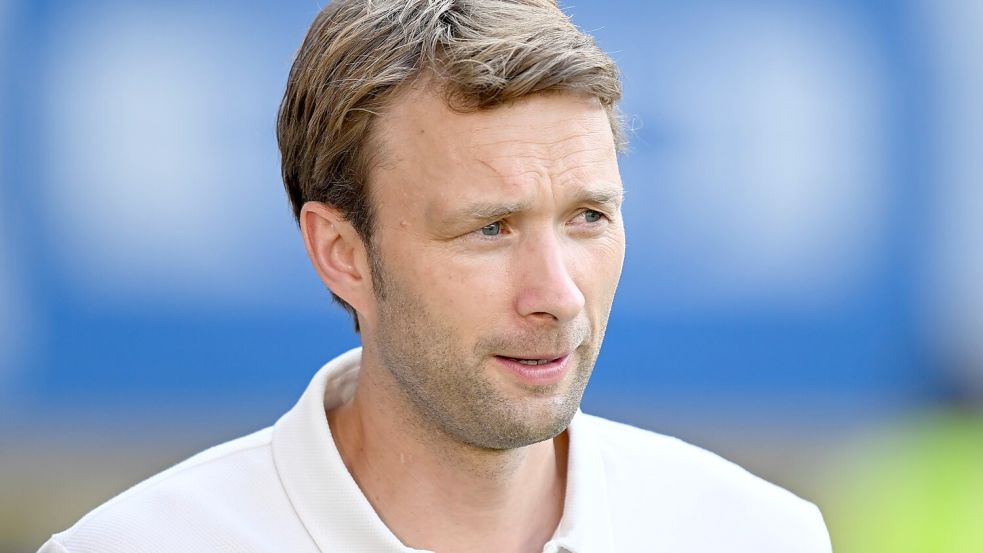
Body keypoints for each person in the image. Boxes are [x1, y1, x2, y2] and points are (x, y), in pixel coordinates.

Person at [40, 1, 832, 552]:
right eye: (489, 228)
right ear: (341, 252)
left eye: (587, 216)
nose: (556, 294)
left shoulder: (756, 536)